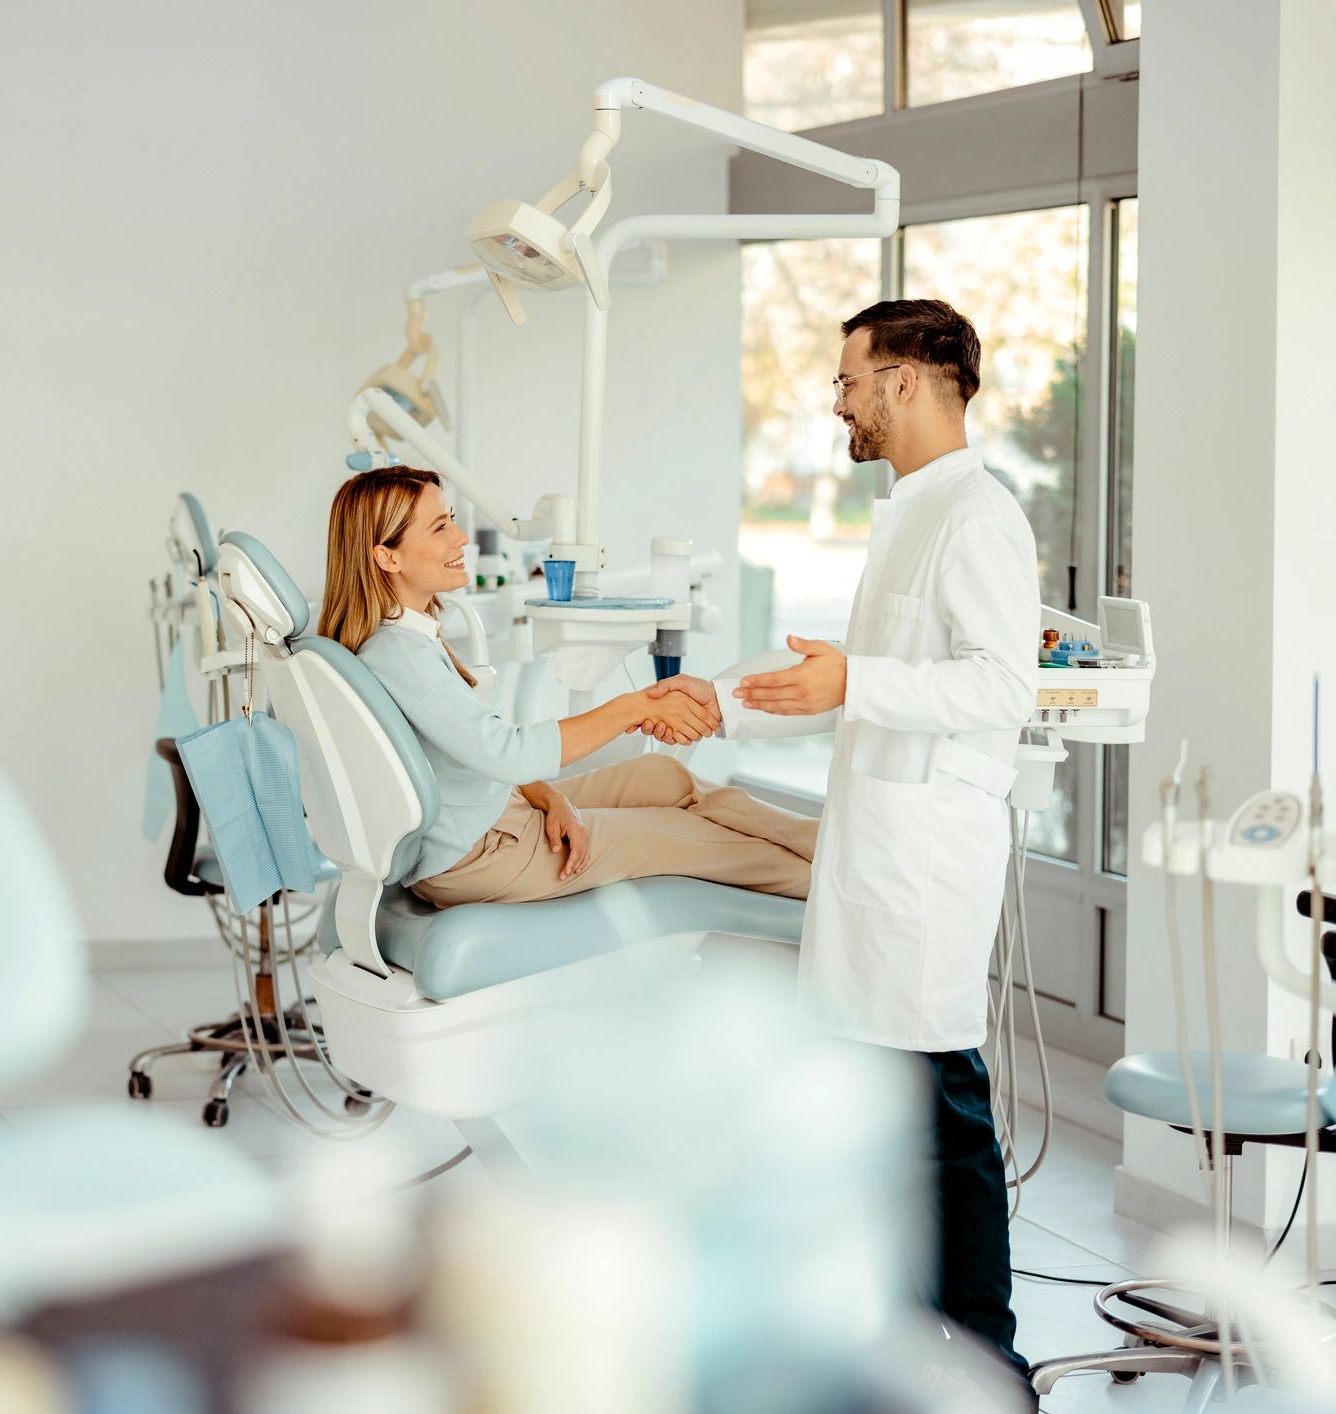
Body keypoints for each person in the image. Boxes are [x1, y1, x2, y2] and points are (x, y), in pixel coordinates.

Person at [647, 300, 1040, 1388]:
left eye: (848, 379)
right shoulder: (909, 512)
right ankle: (908, 1354)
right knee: (895, 1120)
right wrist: (716, 700)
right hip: (878, 849)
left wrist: (854, 680)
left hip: (926, 862)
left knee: (941, 1116)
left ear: (907, 380)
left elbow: (1001, 683)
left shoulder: (977, 517)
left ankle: (985, 1370)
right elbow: (841, 684)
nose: (838, 402)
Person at [317, 467, 820, 907]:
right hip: (480, 853)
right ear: (387, 557)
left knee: (663, 777)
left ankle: (820, 842)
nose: (461, 538)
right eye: (441, 526)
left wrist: (549, 798)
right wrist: (632, 707)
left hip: (497, 814)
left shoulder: (406, 637)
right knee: (691, 836)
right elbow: (504, 752)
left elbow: (476, 752)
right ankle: (833, 890)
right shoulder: (401, 655)